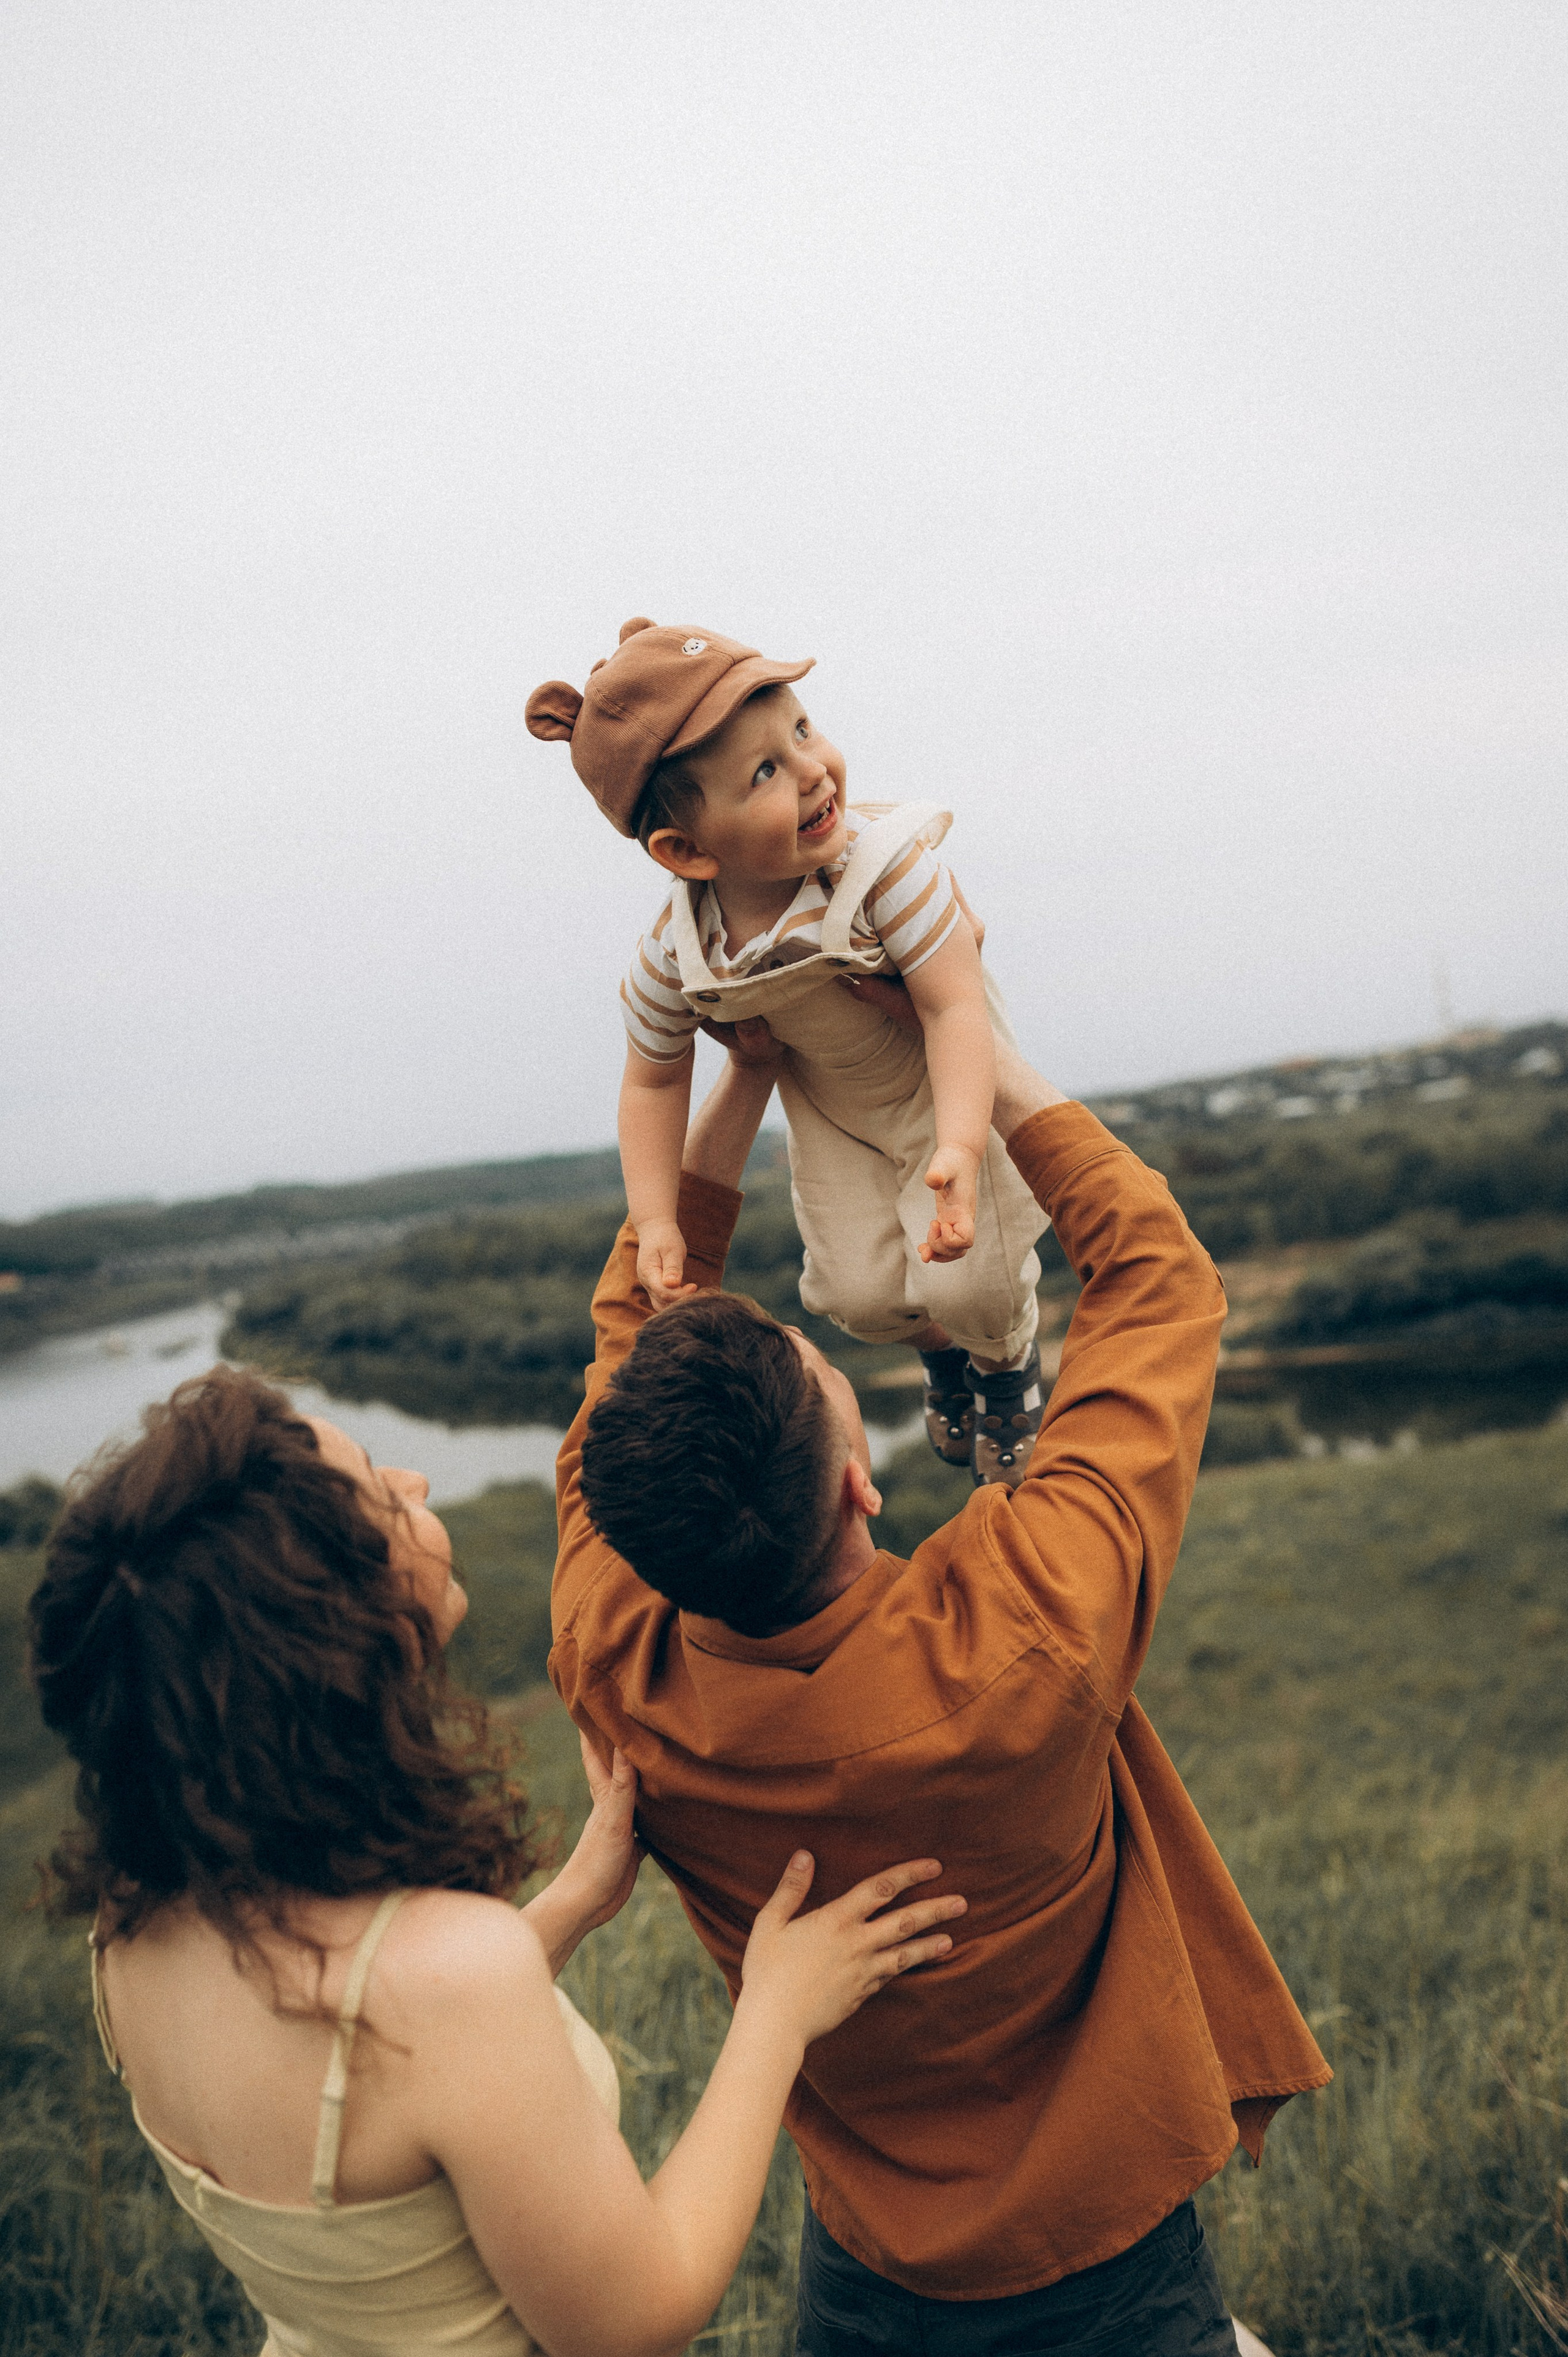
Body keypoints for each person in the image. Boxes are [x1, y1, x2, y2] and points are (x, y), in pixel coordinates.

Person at [553, 1016, 1333, 2355]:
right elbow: (1159, 1279)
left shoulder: (609, 1652)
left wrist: (748, 1072)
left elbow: (634, 1325)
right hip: (1108, 2265)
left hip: (865, 2267)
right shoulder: (1029, 1624)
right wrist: (970, 1039)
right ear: (859, 1485)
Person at [27, 1335, 968, 2357]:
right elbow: (639, 2319)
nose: (417, 1481)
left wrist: (571, 1904)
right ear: (333, 1633)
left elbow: (370, 2071)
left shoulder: (133, 1934)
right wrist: (776, 2012)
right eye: (381, 1493)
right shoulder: (457, 1982)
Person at [526, 617, 1050, 1487]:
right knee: (857, 1297)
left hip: (942, 1090)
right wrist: (657, 1220)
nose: (814, 770)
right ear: (687, 851)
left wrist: (962, 1143)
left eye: (803, 731)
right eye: (766, 771)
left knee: (973, 1285)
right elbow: (653, 1080)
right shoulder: (679, 954)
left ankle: (1004, 1365)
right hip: (833, 1115)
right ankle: (944, 1350)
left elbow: (955, 1005)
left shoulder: (886, 872)